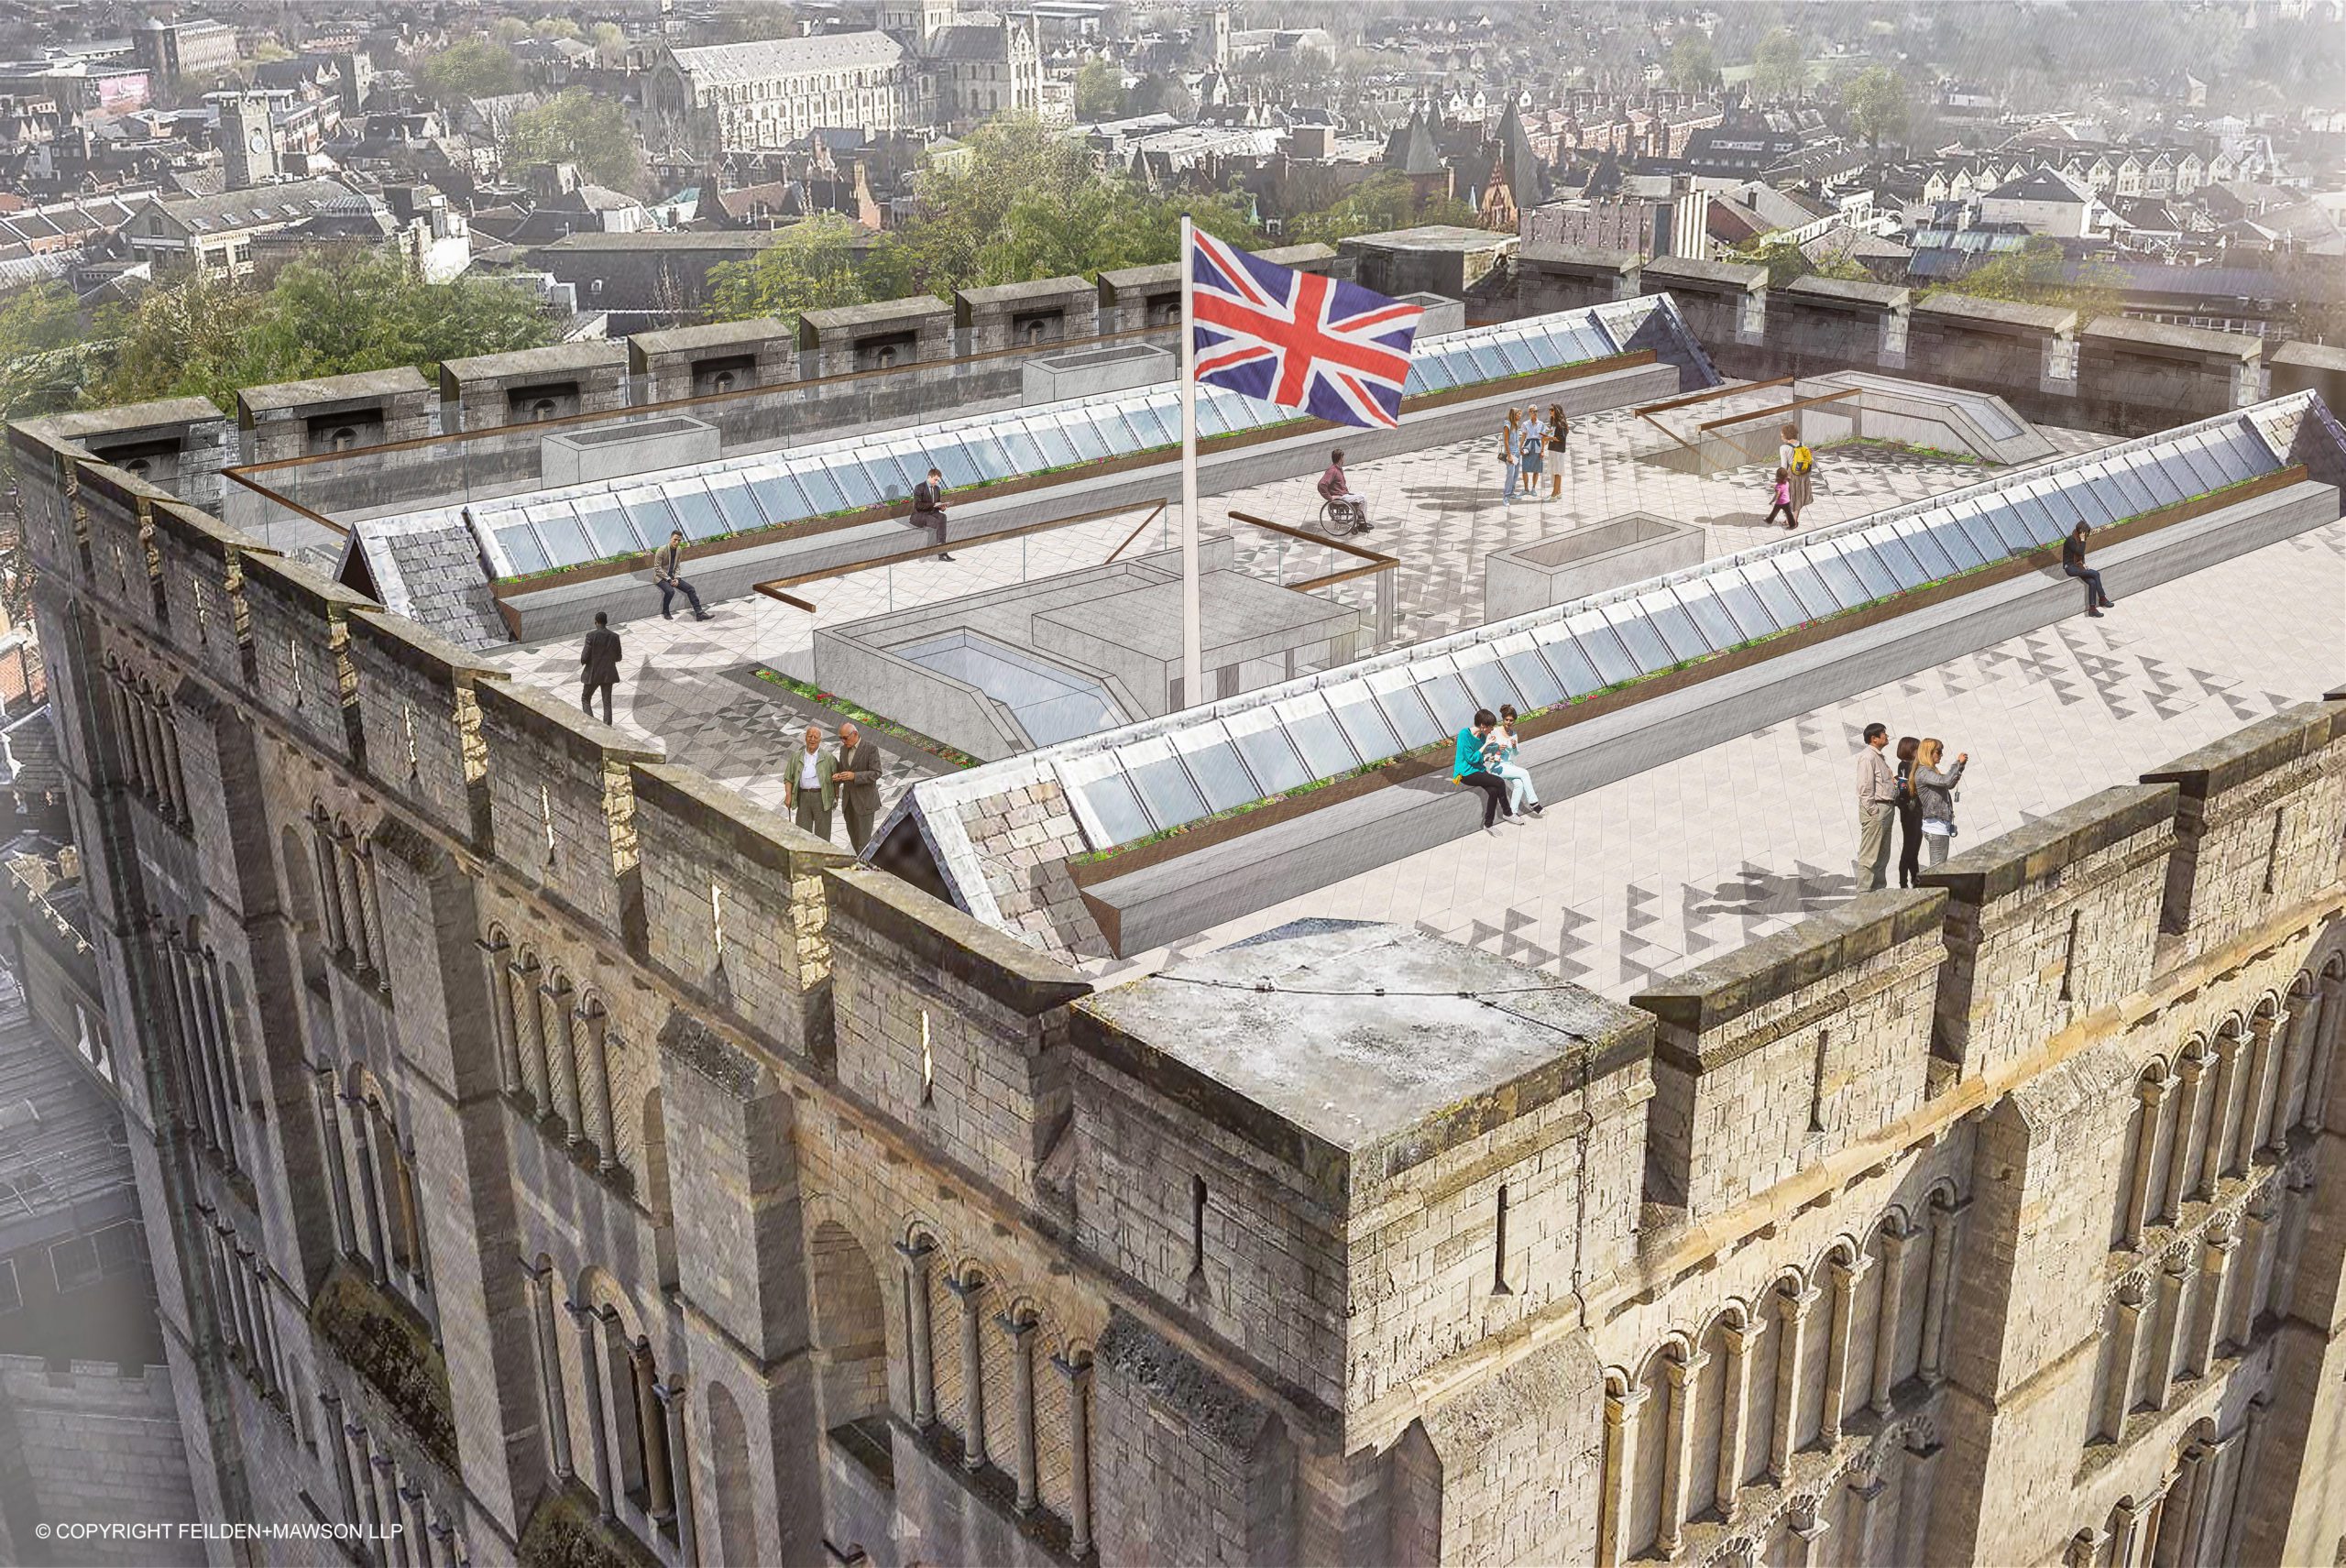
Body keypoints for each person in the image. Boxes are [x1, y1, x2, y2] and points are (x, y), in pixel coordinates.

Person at [1453, 709, 1517, 833]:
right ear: (1483, 726)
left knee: (1493, 792)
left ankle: (1488, 824)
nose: (1492, 730)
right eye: (1491, 727)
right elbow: (1471, 758)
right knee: (1499, 782)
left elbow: (1483, 752)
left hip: (1478, 769)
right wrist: (1486, 744)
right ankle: (1507, 813)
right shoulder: (1464, 735)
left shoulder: (1482, 736)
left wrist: (1496, 747)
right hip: (1465, 773)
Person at [1855, 721, 1898, 891]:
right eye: (1883, 734)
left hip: (1886, 808)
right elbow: (1864, 788)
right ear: (1874, 739)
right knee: (1870, 855)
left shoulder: (1878, 756)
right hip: (1877, 810)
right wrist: (1874, 811)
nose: (1886, 736)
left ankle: (1878, 890)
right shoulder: (1868, 757)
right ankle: (1864, 894)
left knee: (1882, 854)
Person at [1913, 738, 1968, 868]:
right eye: (1938, 751)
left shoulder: (1929, 771)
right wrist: (1957, 763)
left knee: (1939, 867)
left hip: (1938, 824)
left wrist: (1961, 767)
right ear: (1928, 752)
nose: (1941, 755)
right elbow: (1946, 781)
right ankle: (1932, 888)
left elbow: (1949, 784)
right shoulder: (1924, 771)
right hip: (1936, 826)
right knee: (1937, 869)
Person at [1482, 704, 1541, 817]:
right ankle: (1534, 802)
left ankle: (1512, 813)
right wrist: (1497, 747)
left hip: (1509, 765)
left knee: (1519, 784)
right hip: (1497, 765)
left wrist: (1514, 746)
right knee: (1524, 773)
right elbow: (1485, 750)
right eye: (1507, 720)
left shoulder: (1514, 734)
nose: (1509, 722)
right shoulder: (1494, 732)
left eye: (1511, 720)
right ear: (1503, 719)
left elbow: (1515, 753)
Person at [834, 720, 884, 852]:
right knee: (854, 839)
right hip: (848, 802)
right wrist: (838, 776)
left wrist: (855, 776)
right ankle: (860, 862)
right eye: (841, 738)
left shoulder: (870, 748)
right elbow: (843, 769)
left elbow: (876, 773)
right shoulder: (843, 749)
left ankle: (865, 868)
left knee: (864, 841)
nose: (843, 741)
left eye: (845, 738)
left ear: (855, 734)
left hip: (864, 803)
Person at [783, 724, 836, 843]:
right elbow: (788, 778)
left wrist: (835, 797)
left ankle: (822, 857)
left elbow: (837, 779)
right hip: (803, 796)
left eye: (815, 737)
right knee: (802, 831)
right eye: (809, 736)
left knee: (823, 833)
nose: (812, 739)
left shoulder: (828, 757)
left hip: (822, 797)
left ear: (820, 740)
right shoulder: (797, 756)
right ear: (805, 738)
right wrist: (788, 795)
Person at [653, 528, 710, 620]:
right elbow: (657, 568)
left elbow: (677, 566)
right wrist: (668, 579)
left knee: (690, 589)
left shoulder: (679, 550)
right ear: (670, 538)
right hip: (661, 577)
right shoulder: (661, 550)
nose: (677, 542)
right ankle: (665, 611)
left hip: (673, 577)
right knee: (670, 591)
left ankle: (699, 613)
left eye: (679, 540)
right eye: (675, 539)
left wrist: (677, 579)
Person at [2062, 522, 2116, 618]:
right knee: (2096, 574)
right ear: (2081, 532)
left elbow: (2081, 556)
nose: (2087, 535)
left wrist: (2083, 564)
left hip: (2078, 566)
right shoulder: (2071, 540)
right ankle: (2102, 599)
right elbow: (2080, 551)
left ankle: (2092, 609)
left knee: (2092, 582)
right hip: (2070, 567)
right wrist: (2083, 540)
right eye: (2086, 533)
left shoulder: (2079, 539)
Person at [579, 611, 621, 723]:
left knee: (585, 698)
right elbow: (618, 657)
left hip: (593, 674)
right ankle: (607, 726)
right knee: (607, 701)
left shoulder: (591, 636)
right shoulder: (615, 637)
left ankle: (591, 723)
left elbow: (584, 657)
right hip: (608, 674)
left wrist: (586, 662)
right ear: (606, 622)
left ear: (595, 623)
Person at [1893, 735, 1924, 889]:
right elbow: (1904, 790)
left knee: (1914, 848)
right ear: (1910, 750)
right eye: (1917, 748)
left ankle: (1915, 879)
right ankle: (1904, 883)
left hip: (1916, 811)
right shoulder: (1905, 765)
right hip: (1909, 811)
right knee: (1909, 848)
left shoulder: (1913, 765)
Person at [1317, 448, 1366, 533]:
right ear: (1340, 458)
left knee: (1363, 495)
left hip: (1343, 495)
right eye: (1343, 457)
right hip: (1340, 498)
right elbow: (1321, 484)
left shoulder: (1338, 469)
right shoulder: (1332, 471)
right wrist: (1330, 497)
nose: (1344, 459)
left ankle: (1361, 522)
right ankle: (1361, 523)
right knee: (1362, 497)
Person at [911, 467, 954, 561]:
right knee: (940, 523)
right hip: (921, 515)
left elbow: (937, 503)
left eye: (938, 480)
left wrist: (941, 507)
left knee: (943, 516)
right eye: (935, 480)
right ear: (929, 477)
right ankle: (941, 552)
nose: (937, 482)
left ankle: (941, 549)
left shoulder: (937, 489)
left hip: (933, 512)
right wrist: (933, 505)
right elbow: (918, 506)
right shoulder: (919, 487)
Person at [1779, 422, 1814, 516]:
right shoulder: (1802, 444)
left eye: (1782, 435)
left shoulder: (1783, 448)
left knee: (1790, 496)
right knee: (1798, 496)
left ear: (1787, 435)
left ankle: (1790, 520)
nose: (1781, 438)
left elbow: (1783, 465)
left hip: (1792, 474)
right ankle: (1793, 520)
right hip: (1803, 473)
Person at [1518, 406, 1546, 500]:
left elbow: (1544, 438)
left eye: (1536, 411)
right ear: (1529, 412)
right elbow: (1523, 436)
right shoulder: (1525, 424)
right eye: (1533, 411)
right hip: (1528, 445)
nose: (1535, 413)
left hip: (1537, 445)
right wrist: (1520, 447)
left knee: (1536, 469)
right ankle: (1526, 489)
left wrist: (1543, 450)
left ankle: (1533, 488)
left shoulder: (1541, 424)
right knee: (1525, 468)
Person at [1545, 403, 1568, 499]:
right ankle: (1558, 492)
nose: (1550, 411)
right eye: (1549, 410)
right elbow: (1552, 433)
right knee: (1555, 471)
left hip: (1558, 450)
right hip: (1553, 449)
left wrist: (1550, 438)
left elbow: (1562, 438)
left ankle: (1554, 494)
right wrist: (1547, 436)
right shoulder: (1553, 421)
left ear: (1557, 411)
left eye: (1552, 410)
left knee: (1557, 472)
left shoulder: (1560, 423)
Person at [1764, 466, 1798, 530]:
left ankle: (1769, 520)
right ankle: (1793, 524)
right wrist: (1774, 486)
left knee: (1774, 512)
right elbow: (1782, 487)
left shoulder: (1778, 486)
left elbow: (1777, 494)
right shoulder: (1787, 483)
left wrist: (1772, 501)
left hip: (1780, 503)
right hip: (1787, 501)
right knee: (1789, 514)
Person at [1500, 409, 1522, 504]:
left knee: (1516, 474)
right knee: (1510, 475)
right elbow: (1505, 441)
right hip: (1511, 453)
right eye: (1519, 414)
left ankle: (1512, 492)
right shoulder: (1507, 425)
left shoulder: (1516, 424)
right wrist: (1509, 455)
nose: (1520, 416)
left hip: (1516, 452)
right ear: (1514, 415)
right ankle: (1506, 496)